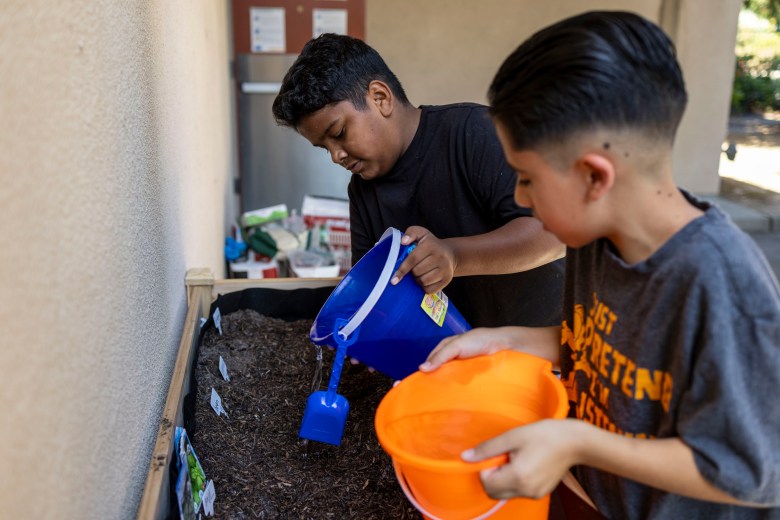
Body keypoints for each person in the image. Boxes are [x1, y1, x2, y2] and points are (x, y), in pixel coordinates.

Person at [421, 10, 780, 519]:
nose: (520, 198)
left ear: (594, 177)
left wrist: (579, 443)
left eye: (526, 177)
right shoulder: (595, 236)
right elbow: (595, 345)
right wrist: (504, 339)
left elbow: (748, 469)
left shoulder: (722, 286)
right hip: (595, 498)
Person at [272, 34, 566, 329]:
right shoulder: (362, 192)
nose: (336, 156)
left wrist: (454, 256)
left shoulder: (472, 133)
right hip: (462, 355)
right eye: (324, 148)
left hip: (547, 346)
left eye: (338, 133)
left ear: (380, 98)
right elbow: (372, 287)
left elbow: (555, 233)